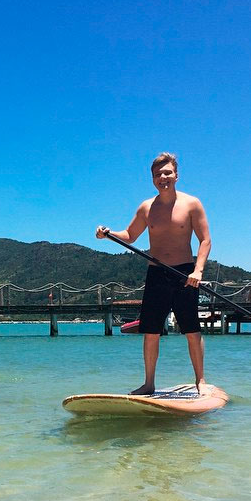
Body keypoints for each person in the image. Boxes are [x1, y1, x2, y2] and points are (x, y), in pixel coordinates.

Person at [96, 152, 211, 395]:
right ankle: (149, 383)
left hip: (185, 274)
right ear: (152, 179)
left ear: (176, 175)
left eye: (167, 172)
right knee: (150, 331)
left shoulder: (192, 204)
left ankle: (200, 380)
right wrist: (109, 234)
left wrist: (198, 270)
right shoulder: (147, 207)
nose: (162, 177)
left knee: (191, 329)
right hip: (157, 273)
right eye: (157, 174)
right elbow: (129, 235)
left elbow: (205, 240)